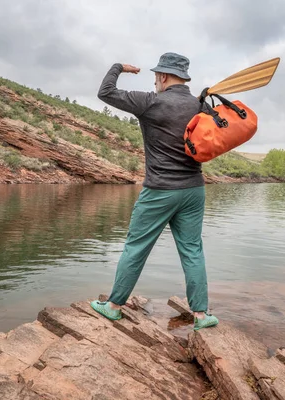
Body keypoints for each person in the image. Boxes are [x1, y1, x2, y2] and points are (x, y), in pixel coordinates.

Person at [90, 52, 218, 330]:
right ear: (184, 77)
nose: (155, 81)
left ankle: (113, 307)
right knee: (193, 250)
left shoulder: (151, 102)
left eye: (156, 77)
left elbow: (106, 92)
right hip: (194, 190)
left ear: (161, 76)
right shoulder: (201, 106)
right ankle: (201, 315)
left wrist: (118, 67)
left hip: (160, 190)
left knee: (136, 248)